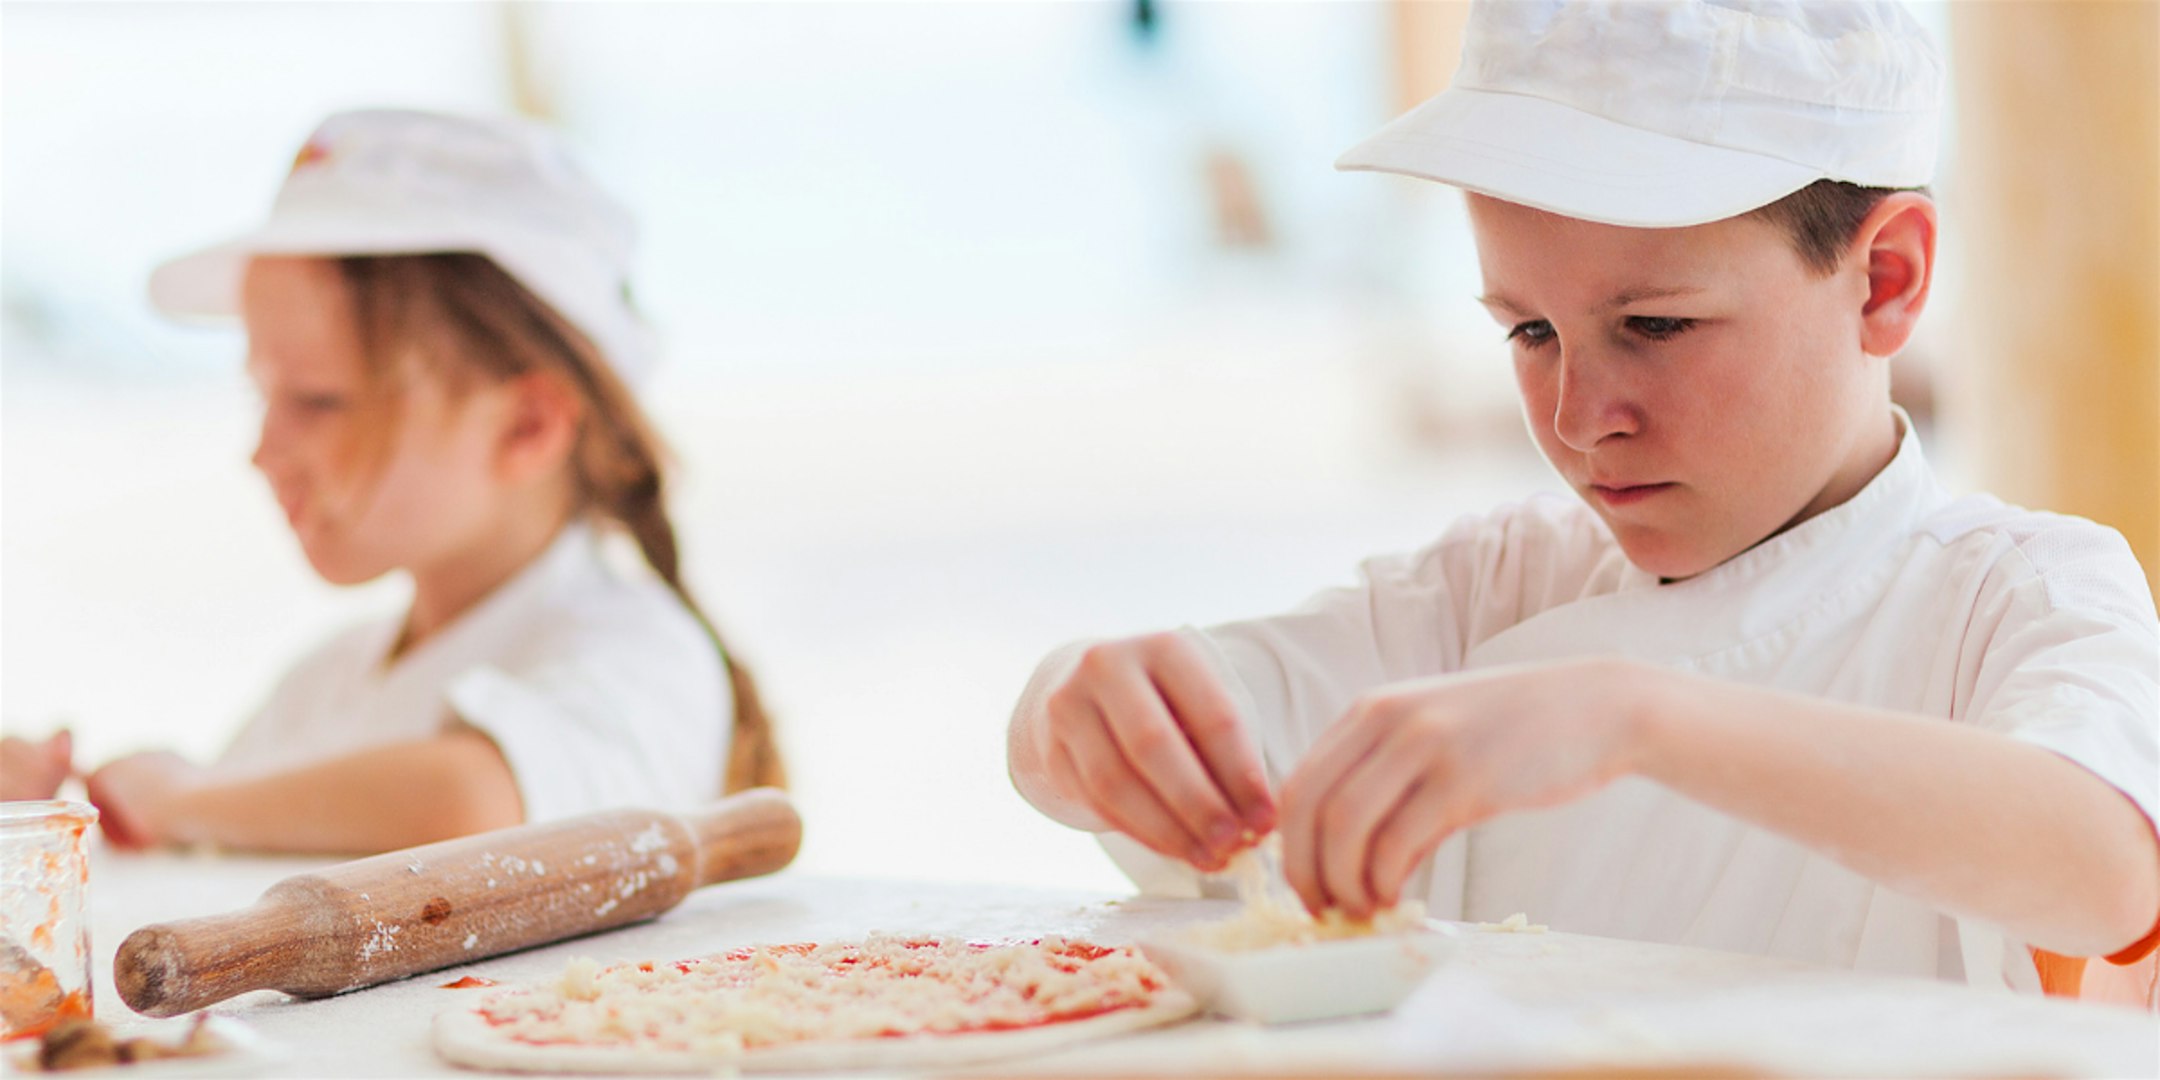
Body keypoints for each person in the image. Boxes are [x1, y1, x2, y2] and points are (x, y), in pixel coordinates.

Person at [1006, 0, 2158, 999]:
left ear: (1886, 280)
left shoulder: (2013, 596)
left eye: (1655, 324)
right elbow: (1153, 725)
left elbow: (2108, 866)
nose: (1577, 416)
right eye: (1529, 332)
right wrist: (1076, 708)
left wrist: (1635, 720)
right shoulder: (1489, 594)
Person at [81, 109, 783, 854]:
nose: (263, 452)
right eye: (264, 396)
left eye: (319, 400)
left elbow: (476, 804)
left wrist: (180, 800)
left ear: (528, 425)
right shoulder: (325, 682)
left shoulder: (640, 654)